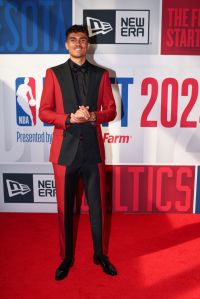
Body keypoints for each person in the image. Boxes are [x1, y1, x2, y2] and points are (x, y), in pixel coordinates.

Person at [39, 24, 117, 280]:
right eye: (73, 40)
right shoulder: (53, 74)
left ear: (88, 44)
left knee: (98, 207)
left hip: (93, 150)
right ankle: (66, 257)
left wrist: (94, 115)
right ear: (66, 44)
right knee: (64, 209)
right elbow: (44, 111)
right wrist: (69, 118)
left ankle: (100, 254)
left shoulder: (101, 74)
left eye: (83, 40)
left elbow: (111, 110)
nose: (78, 44)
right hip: (64, 152)